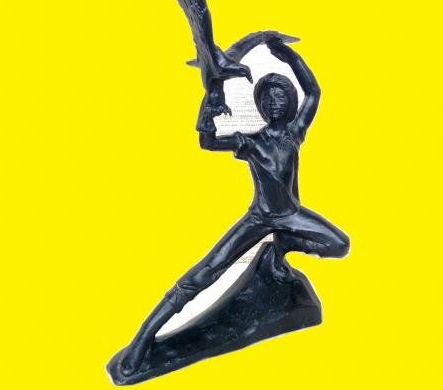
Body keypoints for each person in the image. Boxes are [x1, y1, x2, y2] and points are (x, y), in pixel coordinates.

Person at [117, 40, 350, 377]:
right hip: (259, 217)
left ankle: (281, 247)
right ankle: (141, 342)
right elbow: (208, 141)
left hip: (290, 216)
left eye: (279, 97)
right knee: (202, 274)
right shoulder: (251, 141)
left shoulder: (294, 133)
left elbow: (314, 91)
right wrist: (210, 105)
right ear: (260, 105)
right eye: (267, 99)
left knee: (340, 244)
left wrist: (285, 54)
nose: (273, 102)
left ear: (289, 102)